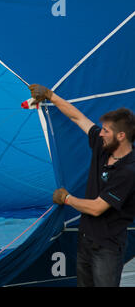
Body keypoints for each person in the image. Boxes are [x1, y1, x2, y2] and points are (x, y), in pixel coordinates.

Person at [29, 84, 135, 287]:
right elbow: (78, 118)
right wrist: (51, 96)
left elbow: (96, 208)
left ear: (121, 136)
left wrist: (66, 198)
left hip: (107, 248)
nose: (100, 133)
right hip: (86, 240)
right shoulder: (103, 146)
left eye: (106, 130)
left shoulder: (128, 171)